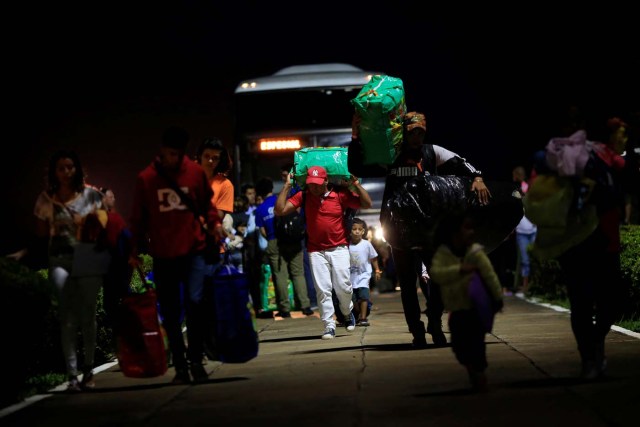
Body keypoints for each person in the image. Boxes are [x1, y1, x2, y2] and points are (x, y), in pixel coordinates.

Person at [349, 111, 491, 348]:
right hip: (397, 228)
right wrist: (355, 135)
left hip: (429, 228)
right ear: (404, 132)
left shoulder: (432, 151)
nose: (416, 136)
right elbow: (356, 165)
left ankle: (434, 320)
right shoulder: (390, 154)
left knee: (437, 277)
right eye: (412, 132)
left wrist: (477, 177)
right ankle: (416, 331)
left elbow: (461, 162)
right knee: (406, 283)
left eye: (420, 132)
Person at [129, 126, 224, 384]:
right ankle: (180, 365)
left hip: (194, 250)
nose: (173, 159)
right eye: (170, 153)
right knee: (171, 312)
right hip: (163, 253)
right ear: (162, 150)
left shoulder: (193, 173)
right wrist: (134, 250)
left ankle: (195, 360)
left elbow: (207, 206)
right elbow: (138, 218)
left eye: (178, 154)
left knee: (196, 302)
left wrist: (214, 225)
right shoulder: (147, 179)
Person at [19, 149, 108, 392]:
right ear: (53, 172)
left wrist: (90, 224)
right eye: (61, 168)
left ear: (77, 169)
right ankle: (71, 375)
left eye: (70, 167)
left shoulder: (91, 196)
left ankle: (88, 369)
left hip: (88, 257)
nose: (66, 172)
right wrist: (25, 253)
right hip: (59, 259)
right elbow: (39, 236)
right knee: (67, 318)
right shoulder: (45, 199)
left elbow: (105, 226)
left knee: (88, 316)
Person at [275, 166, 373, 339]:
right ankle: (329, 325)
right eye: (311, 184)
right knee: (323, 289)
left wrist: (356, 184)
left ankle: (346, 311)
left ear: (326, 181)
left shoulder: (340, 195)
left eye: (318, 184)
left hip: (339, 248)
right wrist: (287, 186)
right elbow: (280, 210)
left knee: (343, 286)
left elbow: (367, 204)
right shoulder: (304, 196)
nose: (315, 188)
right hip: (316, 250)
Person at [430, 210, 503, 392]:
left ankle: (479, 371)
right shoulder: (443, 254)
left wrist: (497, 297)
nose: (471, 232)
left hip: (475, 307)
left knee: (477, 342)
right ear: (454, 232)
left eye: (472, 228)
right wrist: (459, 270)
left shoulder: (476, 253)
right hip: (456, 309)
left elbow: (490, 276)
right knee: (459, 346)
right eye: (467, 228)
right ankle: (472, 368)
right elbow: (436, 274)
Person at [254, 177, 314, 318]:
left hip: (274, 241)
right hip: (292, 240)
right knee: (298, 273)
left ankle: (285, 308)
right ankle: (305, 306)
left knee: (280, 276)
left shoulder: (261, 209)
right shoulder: (281, 200)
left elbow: (262, 231)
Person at [98, 187, 133, 341]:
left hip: (112, 268)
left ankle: (122, 338)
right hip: (116, 266)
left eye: (114, 196)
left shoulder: (107, 218)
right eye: (110, 196)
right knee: (124, 301)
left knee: (111, 304)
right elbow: (127, 238)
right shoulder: (110, 218)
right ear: (102, 199)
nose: (114, 199)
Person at [348, 217, 380, 327]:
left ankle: (363, 317)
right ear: (350, 231)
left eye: (359, 229)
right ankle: (358, 313)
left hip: (364, 276)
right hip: (350, 277)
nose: (357, 231)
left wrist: (377, 270)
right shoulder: (347, 245)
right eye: (354, 229)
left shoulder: (366, 244)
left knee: (364, 296)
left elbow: (373, 257)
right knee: (353, 299)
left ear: (363, 231)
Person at [511, 166, 537, 296]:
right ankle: (525, 287)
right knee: (525, 260)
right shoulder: (514, 190)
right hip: (521, 230)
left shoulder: (528, 187)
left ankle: (532, 286)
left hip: (532, 227)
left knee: (533, 259)